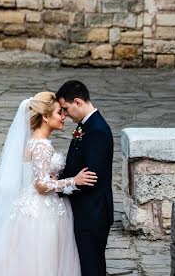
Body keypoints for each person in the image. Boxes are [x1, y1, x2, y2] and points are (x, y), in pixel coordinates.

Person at [0, 92, 97, 275]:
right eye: (58, 113)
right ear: (45, 117)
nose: (64, 117)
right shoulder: (41, 146)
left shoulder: (36, 142)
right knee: (42, 260)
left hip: (33, 206)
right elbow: (41, 184)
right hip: (42, 211)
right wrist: (74, 181)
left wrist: (57, 178)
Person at [57, 80, 114, 276]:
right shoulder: (87, 125)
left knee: (92, 267)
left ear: (78, 102)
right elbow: (77, 166)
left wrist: (58, 186)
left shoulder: (96, 130)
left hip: (92, 211)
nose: (65, 115)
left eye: (65, 109)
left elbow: (90, 178)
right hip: (86, 210)